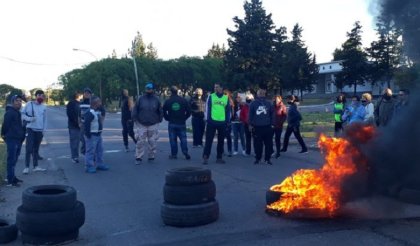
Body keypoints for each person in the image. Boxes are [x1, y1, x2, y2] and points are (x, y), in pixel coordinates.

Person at [132, 82, 163, 164]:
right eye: (147, 88)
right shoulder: (140, 99)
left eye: (150, 89)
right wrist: (134, 118)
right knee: (140, 141)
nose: (148, 90)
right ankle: (138, 157)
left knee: (152, 141)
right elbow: (135, 109)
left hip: (153, 124)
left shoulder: (156, 99)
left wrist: (160, 118)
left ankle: (151, 156)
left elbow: (160, 110)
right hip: (141, 123)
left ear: (153, 89)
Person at [202, 83, 231, 165]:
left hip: (222, 122)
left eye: (217, 87)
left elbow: (228, 110)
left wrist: (227, 121)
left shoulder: (226, 98)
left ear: (221, 88)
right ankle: (205, 157)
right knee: (209, 140)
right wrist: (208, 119)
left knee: (221, 141)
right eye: (215, 87)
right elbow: (207, 108)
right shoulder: (211, 96)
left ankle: (219, 157)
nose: (215, 88)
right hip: (212, 122)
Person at [1, 95, 25, 186]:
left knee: (14, 159)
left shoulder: (17, 112)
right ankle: (10, 181)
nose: (19, 102)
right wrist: (4, 136)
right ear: (12, 102)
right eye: (17, 101)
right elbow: (5, 126)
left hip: (18, 139)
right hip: (12, 139)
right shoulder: (10, 113)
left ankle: (12, 177)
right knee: (11, 160)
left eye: (20, 101)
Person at [22, 90, 47, 174]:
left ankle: (36, 166)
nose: (40, 97)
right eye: (39, 95)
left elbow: (45, 120)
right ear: (35, 96)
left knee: (36, 149)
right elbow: (22, 114)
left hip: (39, 131)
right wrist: (29, 119)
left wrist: (44, 130)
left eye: (42, 96)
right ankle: (26, 167)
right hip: (30, 129)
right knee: (29, 148)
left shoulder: (44, 107)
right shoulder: (29, 104)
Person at [163, 86, 192, 160]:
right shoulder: (183, 100)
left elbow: (163, 112)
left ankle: (174, 154)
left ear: (171, 92)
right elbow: (189, 111)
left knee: (173, 140)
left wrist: (167, 118)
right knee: (183, 138)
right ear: (177, 92)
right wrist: (184, 118)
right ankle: (185, 152)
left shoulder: (168, 101)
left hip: (172, 122)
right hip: (181, 122)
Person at [249, 89, 275, 164]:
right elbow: (250, 115)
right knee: (257, 144)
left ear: (265, 94)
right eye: (260, 93)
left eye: (263, 93)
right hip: (257, 127)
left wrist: (272, 124)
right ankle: (258, 158)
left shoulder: (269, 103)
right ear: (257, 95)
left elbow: (272, 114)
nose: (261, 95)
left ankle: (267, 159)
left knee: (268, 144)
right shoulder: (253, 104)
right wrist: (250, 124)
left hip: (267, 126)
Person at [83, 96, 109, 173]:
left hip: (98, 134)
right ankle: (89, 166)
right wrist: (88, 135)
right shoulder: (90, 113)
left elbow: (103, 112)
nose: (100, 103)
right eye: (99, 102)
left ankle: (99, 164)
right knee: (90, 151)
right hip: (92, 135)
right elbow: (86, 124)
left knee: (99, 150)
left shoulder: (96, 111)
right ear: (95, 103)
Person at [66, 92, 83, 163]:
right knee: (74, 142)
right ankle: (74, 157)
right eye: (81, 95)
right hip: (74, 126)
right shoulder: (71, 103)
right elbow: (70, 115)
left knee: (85, 141)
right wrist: (77, 123)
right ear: (79, 96)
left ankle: (85, 153)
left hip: (82, 126)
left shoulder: (81, 103)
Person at [224, 89, 234, 157]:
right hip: (221, 120)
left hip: (227, 121)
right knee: (222, 136)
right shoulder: (225, 101)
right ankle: (222, 151)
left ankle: (229, 150)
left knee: (228, 136)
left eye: (226, 94)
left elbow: (232, 112)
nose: (225, 95)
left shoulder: (230, 101)